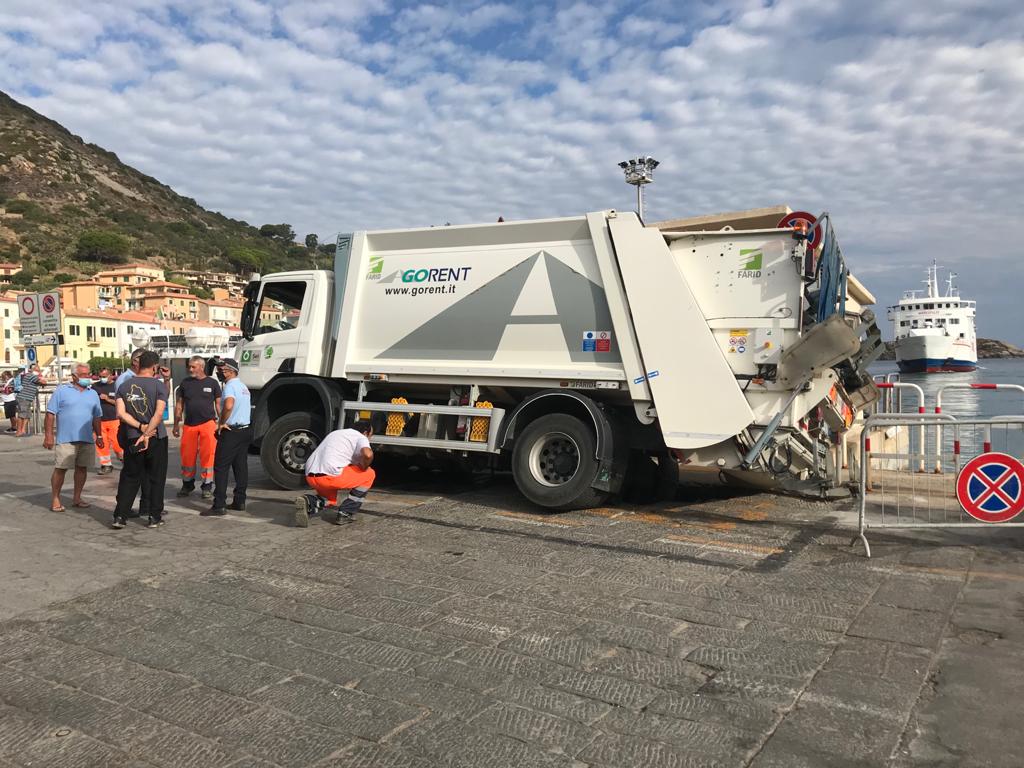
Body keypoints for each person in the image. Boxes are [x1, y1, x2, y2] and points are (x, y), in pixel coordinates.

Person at [111, 351, 168, 529]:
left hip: (132, 437)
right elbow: (159, 414)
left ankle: (120, 516)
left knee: (130, 476)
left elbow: (120, 413)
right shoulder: (158, 386)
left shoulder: (124, 386)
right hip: (156, 437)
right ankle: (154, 516)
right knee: (156, 477)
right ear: (154, 367)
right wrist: (147, 432)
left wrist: (140, 429)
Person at [43, 363, 104, 512]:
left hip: (87, 438)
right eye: (83, 375)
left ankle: (77, 497)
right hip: (65, 438)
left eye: (88, 374)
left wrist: (100, 435)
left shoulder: (93, 393)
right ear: (74, 376)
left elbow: (97, 417)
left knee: (82, 469)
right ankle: (55, 498)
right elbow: (50, 414)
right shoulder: (62, 391)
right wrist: (49, 436)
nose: (87, 378)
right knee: (61, 469)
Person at [293, 419, 375, 527]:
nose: (370, 439)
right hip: (329, 477)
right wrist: (364, 466)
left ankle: (309, 502)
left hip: (310, 475)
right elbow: (368, 454)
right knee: (369, 474)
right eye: (370, 435)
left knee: (330, 500)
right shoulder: (360, 437)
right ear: (365, 433)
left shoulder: (337, 433)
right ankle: (346, 513)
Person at [204, 358, 251, 517]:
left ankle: (219, 504)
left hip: (231, 431)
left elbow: (229, 405)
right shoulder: (243, 386)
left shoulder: (230, 386)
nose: (219, 373)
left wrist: (221, 423)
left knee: (221, 467)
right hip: (244, 430)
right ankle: (240, 500)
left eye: (222, 370)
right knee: (240, 466)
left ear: (231, 371)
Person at [173, 356, 221, 499]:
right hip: (189, 425)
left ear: (201, 366)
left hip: (208, 424)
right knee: (187, 457)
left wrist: (222, 423)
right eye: (189, 366)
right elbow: (179, 405)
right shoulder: (185, 383)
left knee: (208, 456)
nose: (190, 369)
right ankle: (187, 484)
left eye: (193, 367)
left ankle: (207, 486)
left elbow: (218, 404)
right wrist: (176, 424)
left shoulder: (213, 383)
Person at [93, 367, 123, 473]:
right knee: (101, 444)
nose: (102, 378)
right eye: (100, 376)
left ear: (110, 375)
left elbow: (121, 403)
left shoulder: (117, 386)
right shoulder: (95, 386)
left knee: (117, 443)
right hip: (99, 421)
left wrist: (107, 399)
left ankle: (124, 460)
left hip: (115, 419)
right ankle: (106, 465)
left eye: (104, 376)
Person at [15, 365, 44, 437]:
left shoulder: (31, 376)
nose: (38, 371)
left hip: (27, 398)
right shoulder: (32, 376)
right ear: (33, 370)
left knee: (28, 415)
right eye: (37, 370)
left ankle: (23, 430)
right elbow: (43, 382)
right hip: (23, 398)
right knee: (21, 415)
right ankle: (18, 431)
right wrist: (41, 379)